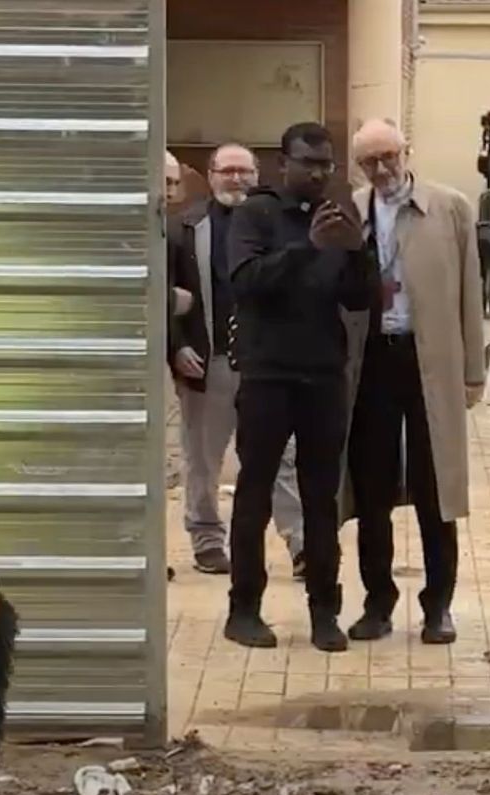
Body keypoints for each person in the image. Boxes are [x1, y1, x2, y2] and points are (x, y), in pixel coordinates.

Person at [225, 122, 376, 652]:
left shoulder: (338, 217)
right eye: (308, 162)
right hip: (267, 374)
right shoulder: (255, 214)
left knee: (321, 498)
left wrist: (357, 253)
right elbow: (244, 282)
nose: (317, 173)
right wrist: (307, 250)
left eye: (326, 164)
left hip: (323, 375)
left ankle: (324, 612)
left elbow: (360, 300)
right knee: (255, 492)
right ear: (282, 163)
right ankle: (243, 608)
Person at [341, 119, 485, 646]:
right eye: (368, 162)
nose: (381, 170)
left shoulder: (448, 208)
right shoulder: (352, 211)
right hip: (372, 361)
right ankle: (378, 601)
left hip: (430, 360)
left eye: (388, 156)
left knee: (435, 486)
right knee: (372, 487)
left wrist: (473, 372)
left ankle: (438, 606)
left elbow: (471, 291)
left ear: (407, 151)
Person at [170, 143, 305, 577]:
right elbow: (162, 292)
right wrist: (177, 346)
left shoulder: (278, 225)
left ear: (257, 174)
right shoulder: (185, 228)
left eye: (244, 171)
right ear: (210, 177)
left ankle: (301, 543)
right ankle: (207, 540)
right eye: (226, 171)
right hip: (209, 362)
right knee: (204, 459)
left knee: (283, 457)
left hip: (267, 364)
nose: (236, 179)